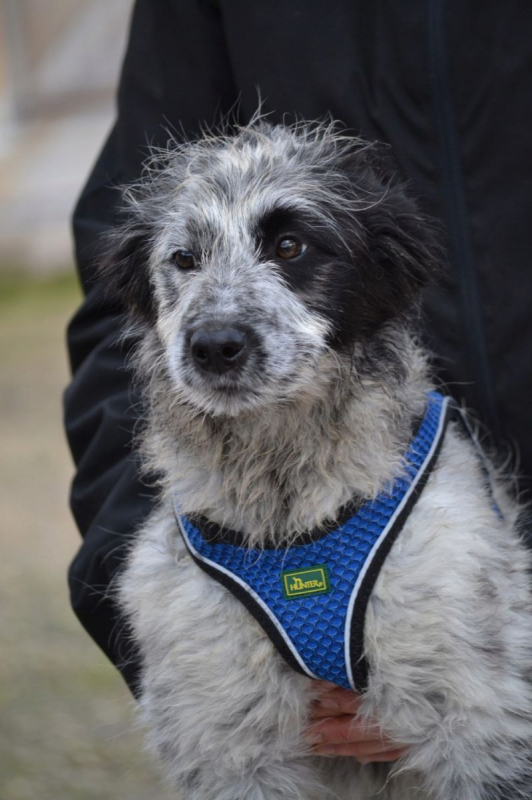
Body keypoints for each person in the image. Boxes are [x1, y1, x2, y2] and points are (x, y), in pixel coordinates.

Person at [64, 0, 532, 764]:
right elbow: (112, 312)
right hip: (226, 553)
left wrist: (504, 658)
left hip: (449, 535)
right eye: (187, 264)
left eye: (286, 245)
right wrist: (170, 620)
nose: (218, 322)